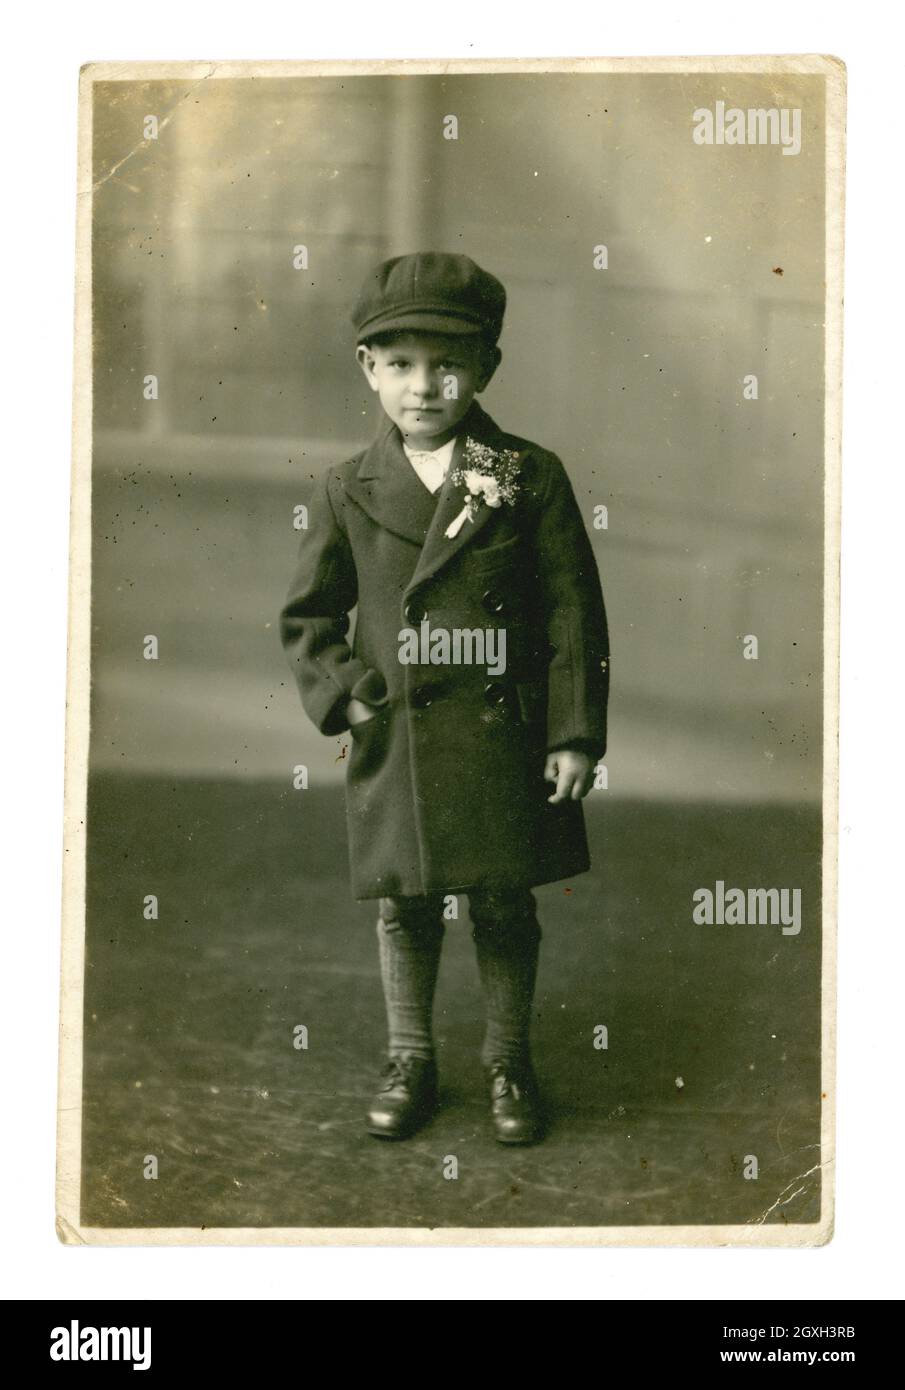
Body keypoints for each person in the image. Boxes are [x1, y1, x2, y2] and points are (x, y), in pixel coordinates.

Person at [280, 252, 610, 1144]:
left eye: (449, 363)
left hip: (504, 735)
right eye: (401, 364)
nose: (424, 386)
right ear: (369, 370)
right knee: (406, 901)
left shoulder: (527, 475)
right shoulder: (347, 487)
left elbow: (574, 616)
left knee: (504, 900)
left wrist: (573, 735)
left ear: (487, 368)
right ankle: (411, 1056)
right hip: (402, 738)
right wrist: (351, 701)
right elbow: (309, 616)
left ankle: (508, 1062)